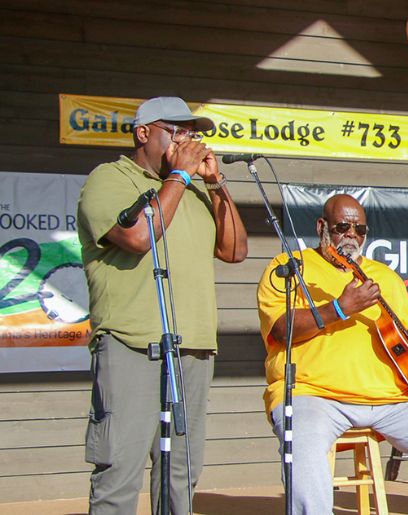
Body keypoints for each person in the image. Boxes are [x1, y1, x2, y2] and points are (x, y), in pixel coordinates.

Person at [77, 96, 248, 514]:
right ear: (143, 133)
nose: (188, 142)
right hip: (132, 343)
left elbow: (235, 250)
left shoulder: (190, 189)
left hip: (192, 346)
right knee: (120, 467)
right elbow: (137, 237)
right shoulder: (110, 179)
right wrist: (179, 178)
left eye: (192, 134)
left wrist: (215, 184)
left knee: (181, 470)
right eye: (177, 132)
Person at [256, 193, 408, 515]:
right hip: (315, 395)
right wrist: (339, 309)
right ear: (322, 226)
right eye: (343, 226)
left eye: (360, 230)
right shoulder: (292, 267)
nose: (352, 236)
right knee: (301, 436)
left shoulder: (382, 275)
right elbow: (279, 329)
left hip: (389, 399)